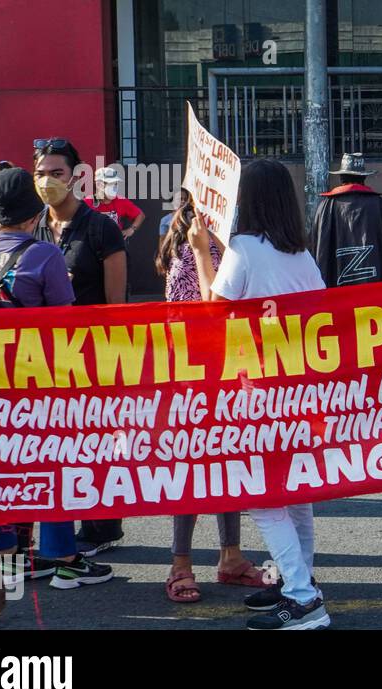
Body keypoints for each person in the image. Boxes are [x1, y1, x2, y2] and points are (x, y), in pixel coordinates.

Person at [186, 158, 330, 630]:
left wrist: (204, 253)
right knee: (297, 495)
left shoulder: (244, 249)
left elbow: (213, 314)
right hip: (301, 392)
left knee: (266, 499)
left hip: (258, 394)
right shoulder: (300, 254)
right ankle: (297, 582)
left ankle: (304, 598)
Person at [0, 169, 114, 590]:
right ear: (32, 212)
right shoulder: (44, 255)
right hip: (37, 380)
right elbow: (65, 322)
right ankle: (63, 556)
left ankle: (5, 555)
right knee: (51, 462)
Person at [154, 194, 267, 602]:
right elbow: (210, 316)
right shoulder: (192, 246)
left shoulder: (215, 242)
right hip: (197, 373)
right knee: (195, 464)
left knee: (225, 460)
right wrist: (209, 252)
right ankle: (180, 563)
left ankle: (230, 556)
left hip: (225, 369)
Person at [31, 138, 129, 556]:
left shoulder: (100, 227)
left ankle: (101, 528)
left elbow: (116, 305)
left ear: (76, 176)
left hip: (91, 356)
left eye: (56, 173)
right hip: (42, 360)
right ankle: (57, 527)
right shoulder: (34, 226)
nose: (48, 181)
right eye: (40, 173)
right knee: (52, 445)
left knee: (93, 444)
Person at [310, 152, 382, 286]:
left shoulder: (326, 206)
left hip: (335, 296)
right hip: (374, 292)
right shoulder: (378, 204)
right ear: (363, 178)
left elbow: (317, 249)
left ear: (341, 177)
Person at [87, 165, 146, 242]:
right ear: (99, 185)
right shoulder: (87, 202)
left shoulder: (121, 201)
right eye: (111, 184)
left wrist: (132, 229)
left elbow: (140, 215)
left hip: (115, 246)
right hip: (93, 247)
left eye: (116, 184)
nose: (114, 187)